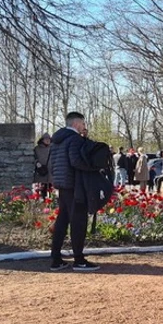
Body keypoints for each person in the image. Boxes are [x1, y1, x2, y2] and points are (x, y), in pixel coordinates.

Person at [49, 111, 100, 271]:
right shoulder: (75, 139)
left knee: (62, 221)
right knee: (78, 222)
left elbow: (51, 163)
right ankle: (79, 259)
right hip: (75, 186)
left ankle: (56, 259)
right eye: (83, 124)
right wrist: (93, 167)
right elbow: (76, 161)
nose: (84, 127)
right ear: (76, 124)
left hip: (62, 185)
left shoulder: (56, 139)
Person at [33, 133, 53, 198]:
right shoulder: (37, 149)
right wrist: (38, 164)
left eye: (49, 139)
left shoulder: (53, 148)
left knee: (51, 190)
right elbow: (34, 157)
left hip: (51, 172)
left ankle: (50, 204)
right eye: (46, 139)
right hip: (41, 172)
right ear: (42, 140)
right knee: (41, 190)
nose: (47, 140)